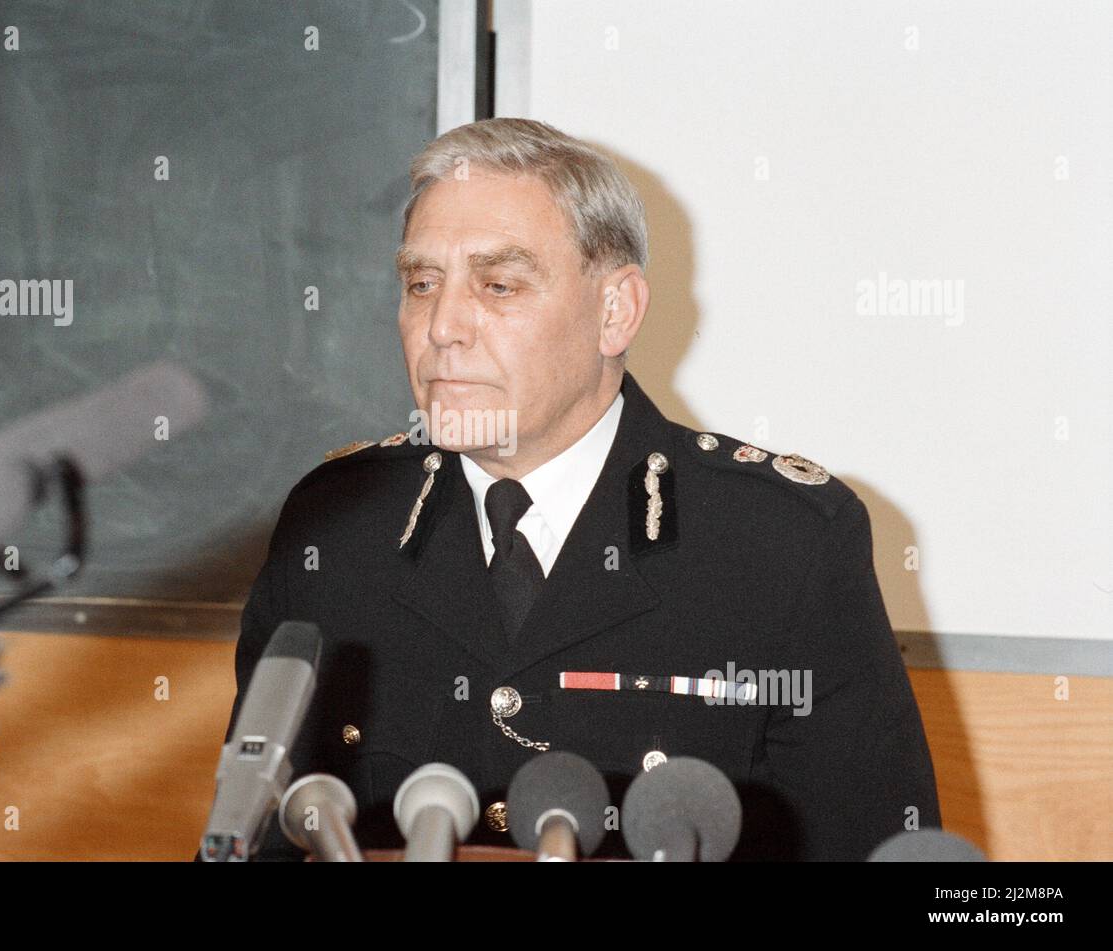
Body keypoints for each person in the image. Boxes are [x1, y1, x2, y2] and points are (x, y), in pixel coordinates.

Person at [217, 117, 940, 861]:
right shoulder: (335, 531)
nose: (442, 326)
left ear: (614, 311)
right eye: (421, 283)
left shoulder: (781, 543)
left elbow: (874, 847)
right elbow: (256, 836)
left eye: (498, 284)